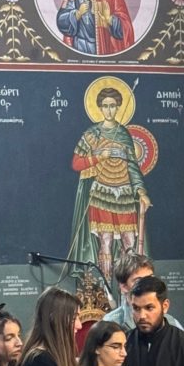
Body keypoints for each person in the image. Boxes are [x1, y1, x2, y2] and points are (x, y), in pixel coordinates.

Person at [69, 87, 151, 283]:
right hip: (102, 193)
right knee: (105, 242)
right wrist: (99, 156)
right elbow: (76, 163)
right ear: (99, 108)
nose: (109, 110)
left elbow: (132, 166)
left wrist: (141, 192)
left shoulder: (123, 134)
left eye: (112, 106)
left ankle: (130, 288)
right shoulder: (92, 134)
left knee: (130, 243)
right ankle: (106, 288)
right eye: (105, 106)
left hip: (124, 194)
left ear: (118, 107)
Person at [104, 256, 183, 333]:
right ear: (124, 287)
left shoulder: (171, 322)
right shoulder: (110, 323)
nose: (147, 284)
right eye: (139, 280)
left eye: (150, 278)